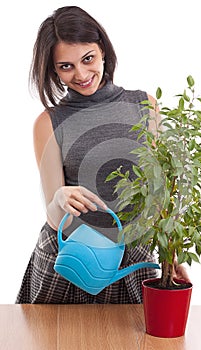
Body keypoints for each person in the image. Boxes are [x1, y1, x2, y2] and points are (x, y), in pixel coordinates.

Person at [16, 6, 189, 304]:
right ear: (53, 70)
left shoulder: (144, 105)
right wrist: (59, 199)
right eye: (65, 66)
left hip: (131, 259)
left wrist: (171, 252)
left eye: (88, 58)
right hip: (70, 259)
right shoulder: (48, 123)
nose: (81, 74)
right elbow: (56, 219)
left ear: (103, 51)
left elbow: (161, 194)